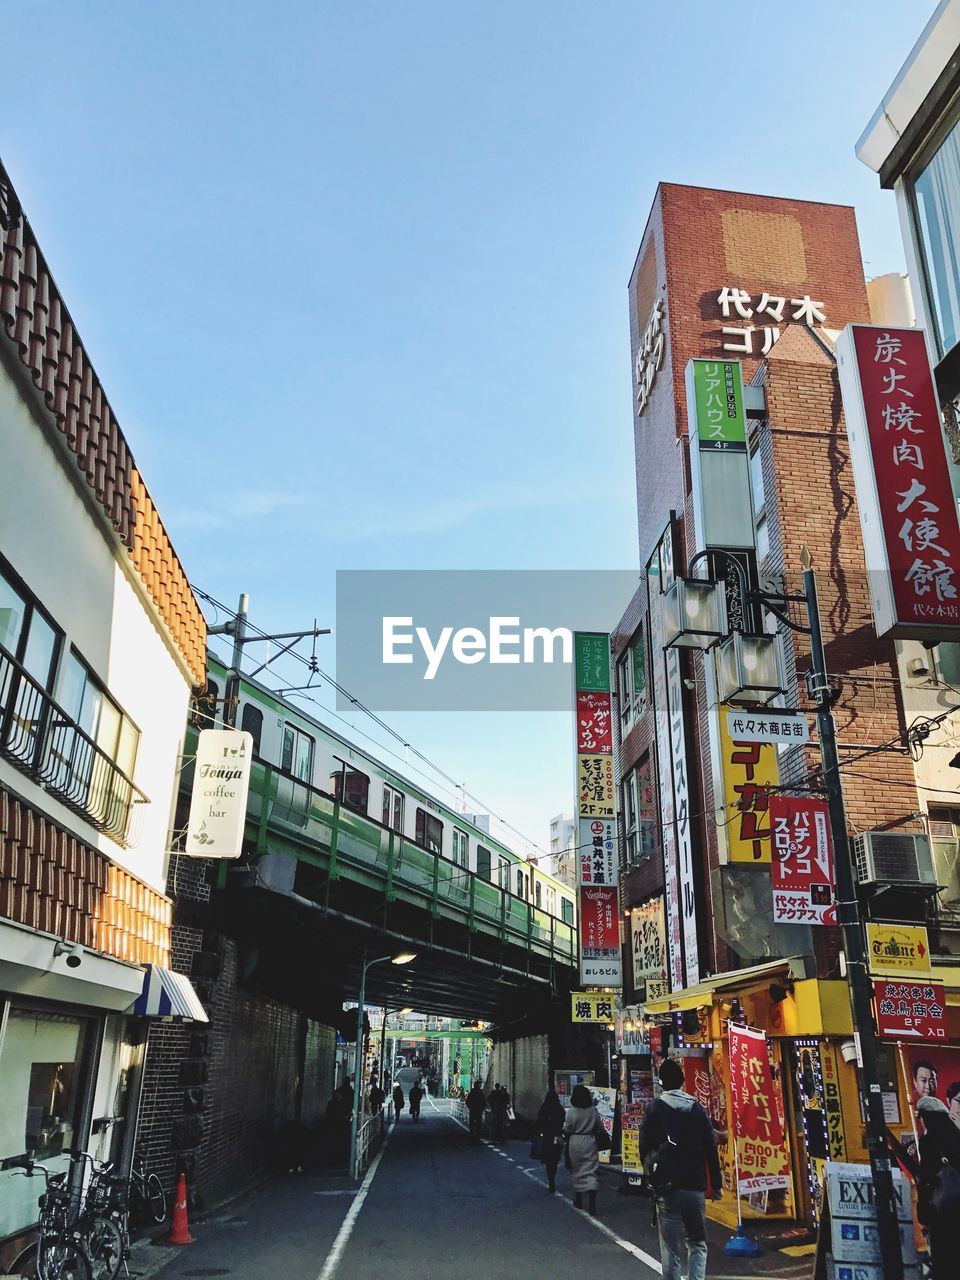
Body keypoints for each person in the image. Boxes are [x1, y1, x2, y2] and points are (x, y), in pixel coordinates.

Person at [639, 1059, 722, 1280]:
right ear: (683, 1081)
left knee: (670, 1248)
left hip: (666, 1187)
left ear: (661, 1082)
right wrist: (717, 1184)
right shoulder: (697, 1109)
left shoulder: (654, 1109)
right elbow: (710, 1149)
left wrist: (649, 1175)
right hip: (694, 1185)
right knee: (697, 1242)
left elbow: (644, 1147)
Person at [918, 1094, 960, 1279]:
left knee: (944, 1258)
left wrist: (923, 1208)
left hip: (941, 1210)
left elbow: (927, 1178)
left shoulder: (929, 1141)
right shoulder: (956, 1134)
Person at [563, 1083, 602, 1216]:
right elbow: (599, 1127)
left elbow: (567, 1128)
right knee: (591, 1171)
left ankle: (578, 1199)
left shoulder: (572, 1111)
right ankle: (592, 1203)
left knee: (577, 1170)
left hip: (575, 1141)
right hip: (589, 1141)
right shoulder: (593, 1110)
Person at [537, 1089, 566, 1193]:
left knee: (549, 1160)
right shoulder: (560, 1109)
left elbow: (539, 1122)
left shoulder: (544, 1108)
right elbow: (563, 1121)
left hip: (547, 1137)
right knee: (555, 1159)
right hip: (557, 1136)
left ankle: (551, 1181)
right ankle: (553, 1178)